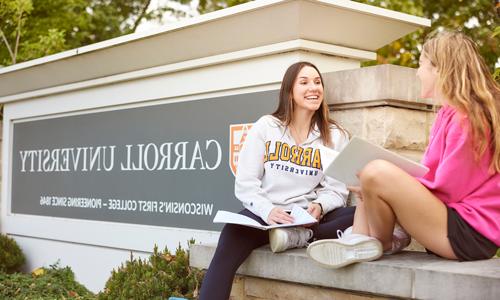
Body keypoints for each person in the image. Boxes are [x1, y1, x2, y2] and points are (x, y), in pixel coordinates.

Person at [307, 30, 500, 269]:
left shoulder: (468, 118)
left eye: (421, 65)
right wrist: (375, 188)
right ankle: (358, 240)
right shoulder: (447, 114)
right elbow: (430, 177)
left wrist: (388, 185)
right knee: (367, 175)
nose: (417, 73)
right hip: (451, 225)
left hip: (467, 234)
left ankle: (384, 241)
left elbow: (447, 190)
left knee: (375, 171)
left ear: (439, 69)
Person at [199, 61, 355, 299]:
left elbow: (337, 190)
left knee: (360, 213)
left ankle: (303, 235)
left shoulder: (335, 135)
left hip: (309, 218)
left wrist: (320, 206)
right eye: (304, 82)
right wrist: (269, 210)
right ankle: (299, 236)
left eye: (317, 82)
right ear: (289, 91)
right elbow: (246, 184)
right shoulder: (266, 127)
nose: (313, 88)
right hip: (268, 216)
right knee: (229, 240)